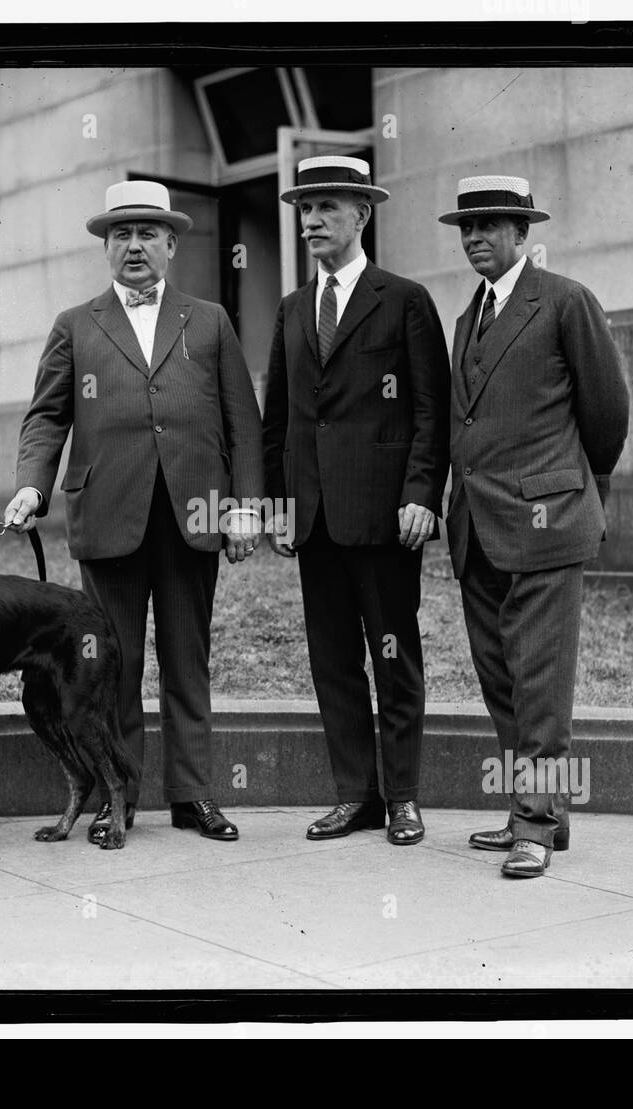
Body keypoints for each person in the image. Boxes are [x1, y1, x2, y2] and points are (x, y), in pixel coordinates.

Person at [5, 180, 264, 844]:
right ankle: (118, 795)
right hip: (107, 518)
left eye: (149, 232)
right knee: (107, 664)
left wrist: (249, 509)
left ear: (172, 244)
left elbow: (244, 424)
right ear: (105, 248)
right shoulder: (75, 325)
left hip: (193, 515)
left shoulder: (209, 321)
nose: (135, 245)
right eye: (122, 234)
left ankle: (194, 794)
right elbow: (46, 418)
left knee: (188, 659)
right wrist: (31, 485)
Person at [439, 174, 629, 877]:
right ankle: (535, 811)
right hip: (478, 530)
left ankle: (537, 824)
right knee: (504, 682)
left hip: (548, 526)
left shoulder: (565, 301)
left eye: (491, 224)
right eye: (467, 226)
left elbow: (607, 414)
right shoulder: (468, 318)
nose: (476, 237)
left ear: (524, 234)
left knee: (542, 687)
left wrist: (578, 490)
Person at [262, 155, 450, 846]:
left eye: (327, 208)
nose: (311, 220)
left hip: (384, 521)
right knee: (332, 661)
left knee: (394, 657)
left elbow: (432, 409)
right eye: (305, 209)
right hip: (314, 522)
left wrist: (422, 494)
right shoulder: (290, 310)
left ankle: (402, 796)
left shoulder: (403, 300)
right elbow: (275, 420)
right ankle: (355, 795)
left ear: (362, 214)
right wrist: (278, 506)